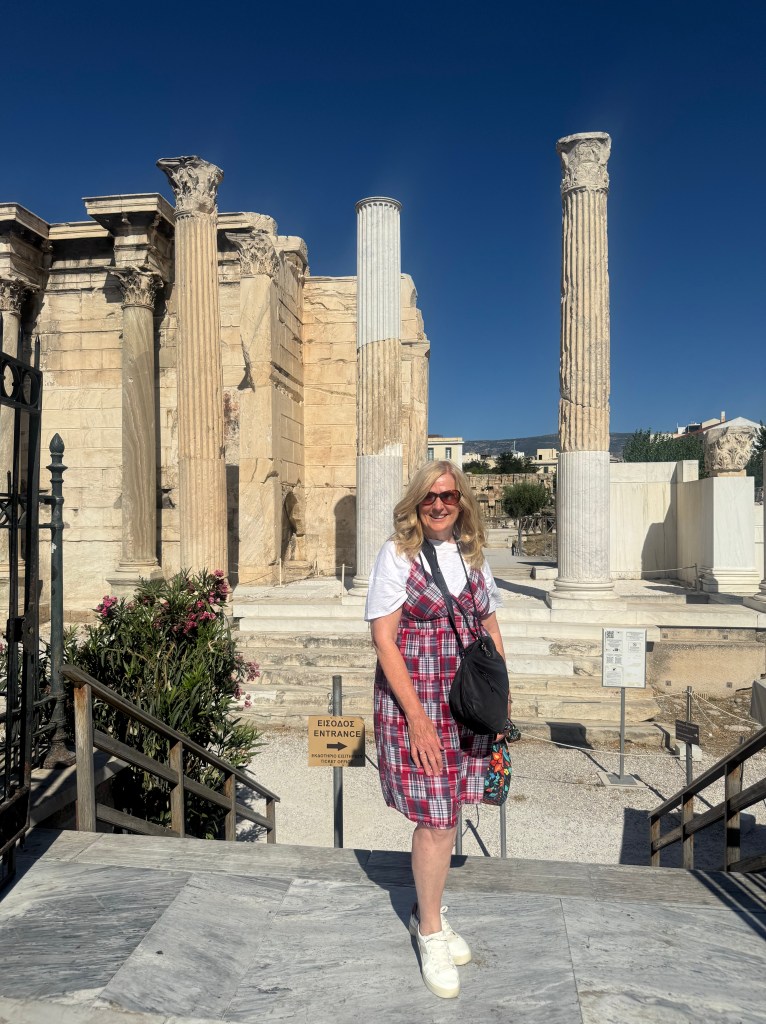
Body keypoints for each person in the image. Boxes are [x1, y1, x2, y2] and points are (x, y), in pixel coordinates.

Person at [364, 459, 509, 999]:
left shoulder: (472, 555)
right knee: (437, 816)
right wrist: (417, 722)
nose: (440, 505)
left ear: (462, 501)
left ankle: (430, 910)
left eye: (449, 495)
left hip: (465, 701)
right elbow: (384, 639)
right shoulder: (398, 555)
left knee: (451, 811)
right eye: (430, 497)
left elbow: (489, 623)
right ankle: (429, 930)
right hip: (417, 701)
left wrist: (502, 696)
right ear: (416, 503)